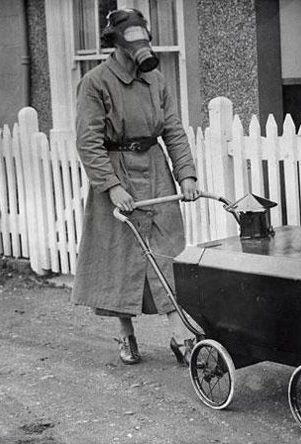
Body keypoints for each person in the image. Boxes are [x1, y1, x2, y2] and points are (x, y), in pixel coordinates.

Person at [71, 8, 200, 366]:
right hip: (117, 170)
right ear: (116, 44)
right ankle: (125, 332)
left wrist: (186, 174)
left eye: (144, 38)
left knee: (167, 249)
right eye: (132, 40)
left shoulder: (156, 80)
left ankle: (180, 334)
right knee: (120, 254)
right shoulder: (95, 82)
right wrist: (111, 187)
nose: (140, 47)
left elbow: (172, 129)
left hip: (155, 167)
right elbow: (88, 142)